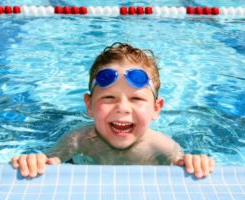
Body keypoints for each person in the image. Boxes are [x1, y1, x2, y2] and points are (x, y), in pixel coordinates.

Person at [11, 42, 214, 179]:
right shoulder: (78, 139)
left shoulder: (161, 146)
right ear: (89, 105)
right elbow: (48, 161)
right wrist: (34, 161)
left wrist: (193, 162)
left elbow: (183, 166)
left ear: (156, 108)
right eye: (109, 97)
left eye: (136, 98)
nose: (123, 108)